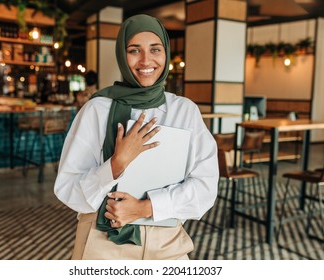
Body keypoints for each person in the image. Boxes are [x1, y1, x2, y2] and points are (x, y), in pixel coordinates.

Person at [54, 14, 219, 260]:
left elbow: (205, 186)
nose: (146, 60)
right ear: (122, 54)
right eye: (134, 50)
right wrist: (115, 165)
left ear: (166, 54)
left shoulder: (184, 111)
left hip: (166, 242)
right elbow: (68, 190)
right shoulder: (97, 110)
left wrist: (145, 207)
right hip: (103, 243)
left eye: (155, 49)